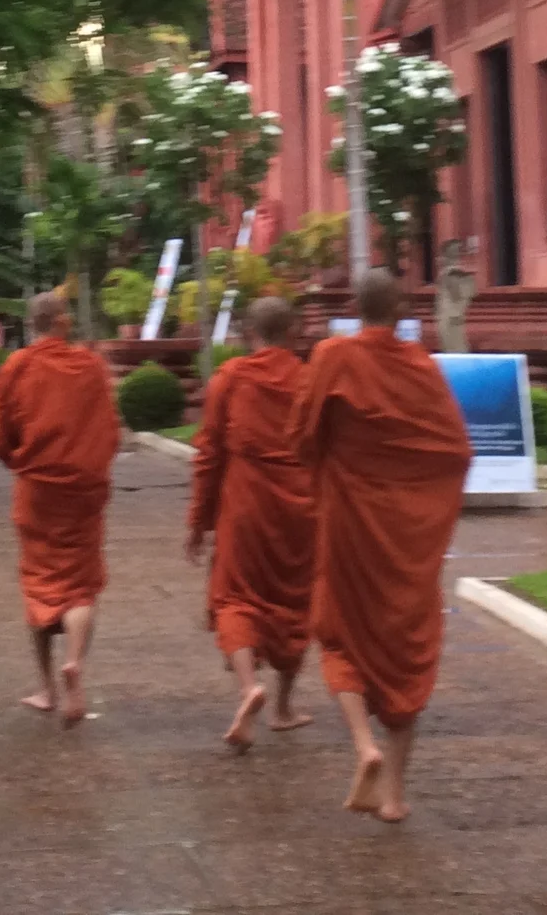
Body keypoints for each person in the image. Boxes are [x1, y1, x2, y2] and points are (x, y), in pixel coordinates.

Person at [292, 268, 471, 825]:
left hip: (349, 518)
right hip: (406, 533)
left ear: (354, 307)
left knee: (339, 630)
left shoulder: (332, 357)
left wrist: (331, 465)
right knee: (404, 641)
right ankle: (393, 795)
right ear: (403, 313)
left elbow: (301, 434)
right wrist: (424, 504)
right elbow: (455, 450)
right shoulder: (420, 366)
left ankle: (362, 743)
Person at [185, 295, 316, 751]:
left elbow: (209, 454)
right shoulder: (310, 381)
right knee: (294, 602)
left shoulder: (231, 378)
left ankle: (248, 688)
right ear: (293, 332)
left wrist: (198, 522)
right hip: (302, 509)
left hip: (246, 508)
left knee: (235, 599)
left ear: (249, 334)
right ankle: (282, 707)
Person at [0, 289, 119, 726]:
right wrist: (91, 465)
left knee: (39, 583)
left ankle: (46, 688)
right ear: (61, 321)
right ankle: (75, 661)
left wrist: (23, 464)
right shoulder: (91, 366)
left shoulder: (16, 368)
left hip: (37, 490)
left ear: (31, 324)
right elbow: (110, 431)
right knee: (79, 585)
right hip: (83, 491)